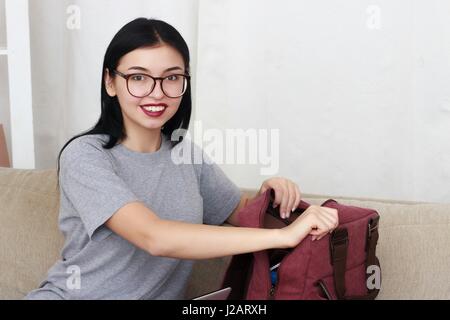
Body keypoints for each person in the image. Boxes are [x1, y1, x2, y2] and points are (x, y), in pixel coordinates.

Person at [25, 18, 338, 300]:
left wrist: (270, 194)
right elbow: (154, 236)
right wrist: (281, 235)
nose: (157, 93)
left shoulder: (185, 154)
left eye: (171, 78)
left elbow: (240, 213)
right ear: (110, 82)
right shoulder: (85, 156)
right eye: (138, 78)